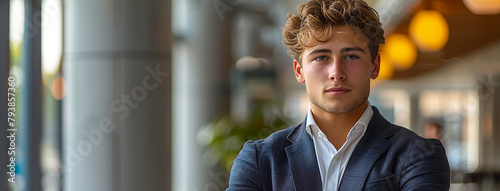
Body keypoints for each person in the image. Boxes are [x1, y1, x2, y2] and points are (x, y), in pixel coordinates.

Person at [227, 0, 450, 190]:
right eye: (321, 58)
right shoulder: (261, 160)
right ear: (299, 71)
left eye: (351, 56)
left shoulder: (418, 156)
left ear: (374, 66)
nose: (337, 73)